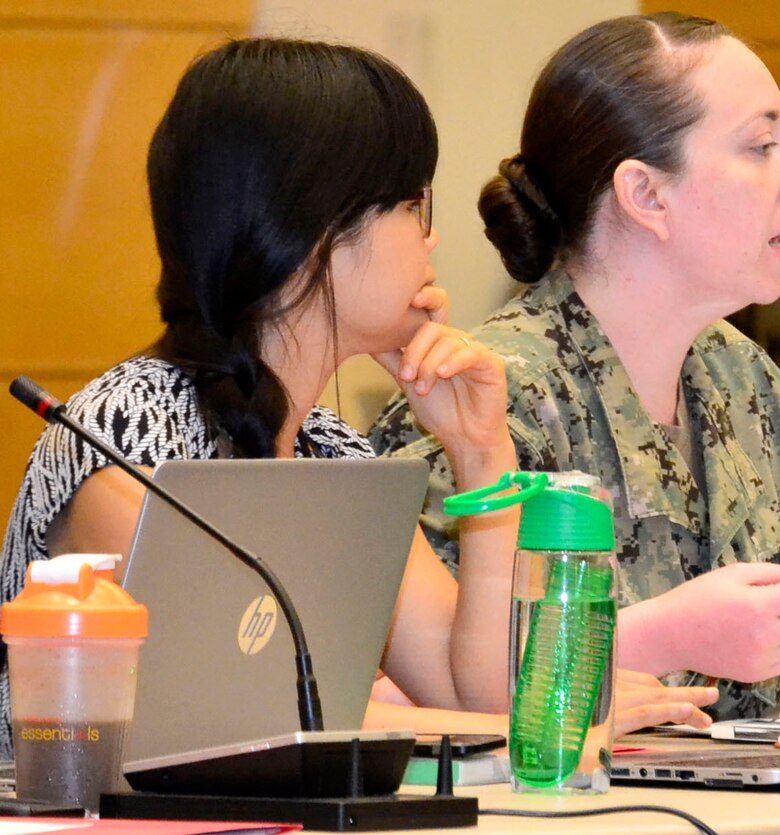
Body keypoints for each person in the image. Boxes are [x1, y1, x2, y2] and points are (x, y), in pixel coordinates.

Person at [0, 39, 714, 755]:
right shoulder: (124, 440)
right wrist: (542, 732)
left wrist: (480, 451)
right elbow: (251, 719)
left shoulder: (333, 452)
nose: (431, 238)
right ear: (313, 230)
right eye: (411, 204)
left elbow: (474, 689)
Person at [371, 14, 780, 721]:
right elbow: (440, 696)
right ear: (646, 196)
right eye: (761, 146)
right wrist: (663, 634)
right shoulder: (478, 404)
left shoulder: (745, 380)